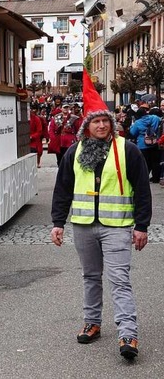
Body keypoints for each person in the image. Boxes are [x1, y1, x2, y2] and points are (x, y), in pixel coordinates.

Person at [51, 71, 150, 360]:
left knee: (119, 279)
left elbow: (142, 189)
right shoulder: (74, 151)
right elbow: (62, 189)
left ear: (112, 124)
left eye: (106, 120)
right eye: (96, 120)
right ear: (87, 126)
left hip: (117, 227)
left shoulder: (127, 150)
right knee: (90, 277)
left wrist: (141, 226)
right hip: (83, 226)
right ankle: (92, 323)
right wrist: (58, 223)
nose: (102, 125)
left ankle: (128, 334)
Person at [129, 107, 161, 183]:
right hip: (154, 142)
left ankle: (144, 178)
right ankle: (156, 178)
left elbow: (133, 133)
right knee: (156, 161)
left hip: (142, 144)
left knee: (145, 162)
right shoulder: (155, 118)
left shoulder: (138, 122)